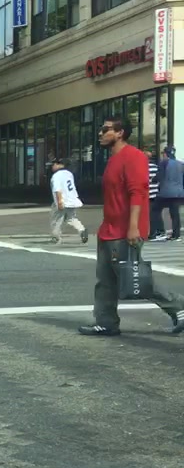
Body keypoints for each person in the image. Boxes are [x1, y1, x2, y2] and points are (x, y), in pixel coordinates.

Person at [79, 117, 184, 337]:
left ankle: (178, 306)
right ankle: (106, 322)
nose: (100, 133)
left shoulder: (134, 157)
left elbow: (138, 193)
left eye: (105, 129)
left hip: (125, 230)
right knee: (105, 281)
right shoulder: (113, 159)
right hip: (109, 230)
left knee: (135, 278)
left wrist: (134, 227)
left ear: (120, 133)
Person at [48, 158, 88, 245]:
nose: (52, 166)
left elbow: (57, 189)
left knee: (56, 220)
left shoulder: (56, 176)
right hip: (72, 199)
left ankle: (56, 237)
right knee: (71, 218)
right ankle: (82, 230)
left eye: (54, 164)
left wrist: (59, 201)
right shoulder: (69, 174)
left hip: (62, 200)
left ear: (60, 165)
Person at [151, 145, 183, 241]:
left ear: (165, 154)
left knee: (155, 210)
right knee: (175, 213)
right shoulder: (181, 164)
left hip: (166, 193)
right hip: (179, 193)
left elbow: (159, 176)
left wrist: (153, 180)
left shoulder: (164, 163)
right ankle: (176, 235)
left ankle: (159, 232)